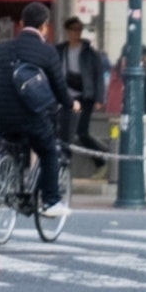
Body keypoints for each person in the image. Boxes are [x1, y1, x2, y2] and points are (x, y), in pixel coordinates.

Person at [0, 2, 78, 217]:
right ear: (44, 26)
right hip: (29, 116)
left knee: (14, 143)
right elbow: (59, 85)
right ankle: (51, 202)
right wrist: (70, 104)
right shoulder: (47, 51)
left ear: (21, 24)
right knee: (48, 151)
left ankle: (9, 180)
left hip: (0, 115)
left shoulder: (2, 48)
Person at [55, 17, 108, 178]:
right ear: (67, 30)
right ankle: (64, 166)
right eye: (73, 29)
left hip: (85, 96)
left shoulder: (90, 53)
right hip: (66, 96)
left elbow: (98, 75)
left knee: (81, 132)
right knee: (64, 132)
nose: (76, 33)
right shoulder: (59, 50)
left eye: (79, 29)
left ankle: (100, 159)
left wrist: (99, 98)